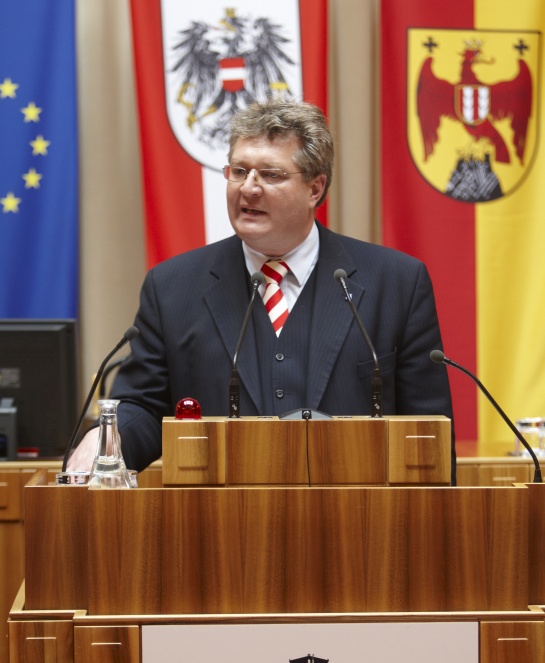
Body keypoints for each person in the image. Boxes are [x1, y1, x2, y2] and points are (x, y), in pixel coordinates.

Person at [68, 98, 455, 479]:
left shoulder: (396, 282)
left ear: (315, 189)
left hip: (358, 523)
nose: (248, 188)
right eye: (239, 171)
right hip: (218, 524)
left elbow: (430, 427)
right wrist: (104, 440)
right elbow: (145, 406)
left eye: (270, 175)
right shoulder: (172, 287)